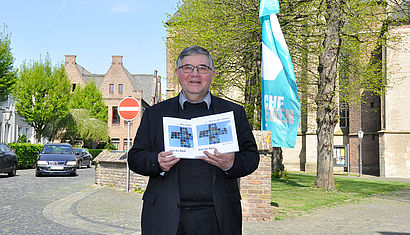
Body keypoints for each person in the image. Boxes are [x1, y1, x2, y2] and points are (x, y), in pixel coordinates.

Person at [128, 46, 259, 235]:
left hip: (218, 218)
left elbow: (252, 157)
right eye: (188, 67)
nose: (195, 74)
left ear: (212, 74)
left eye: (202, 68)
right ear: (178, 74)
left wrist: (232, 163)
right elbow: (135, 158)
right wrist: (157, 162)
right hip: (165, 217)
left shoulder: (233, 113)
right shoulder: (155, 114)